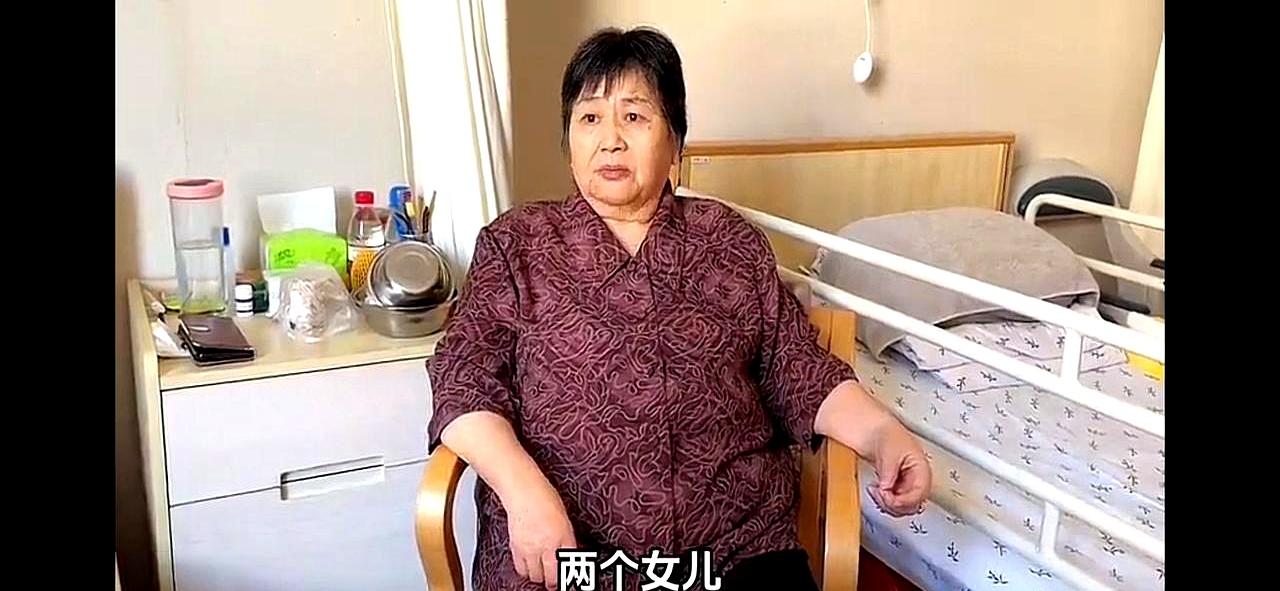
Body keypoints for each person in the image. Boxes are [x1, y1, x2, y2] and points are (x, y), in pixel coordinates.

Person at [427, 26, 931, 591]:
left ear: (676, 141)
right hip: (565, 549)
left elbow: (798, 369)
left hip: (732, 550)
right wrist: (524, 494)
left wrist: (883, 434)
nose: (610, 140)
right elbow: (463, 381)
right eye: (589, 118)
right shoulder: (516, 244)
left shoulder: (729, 241)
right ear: (568, 141)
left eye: (634, 116)